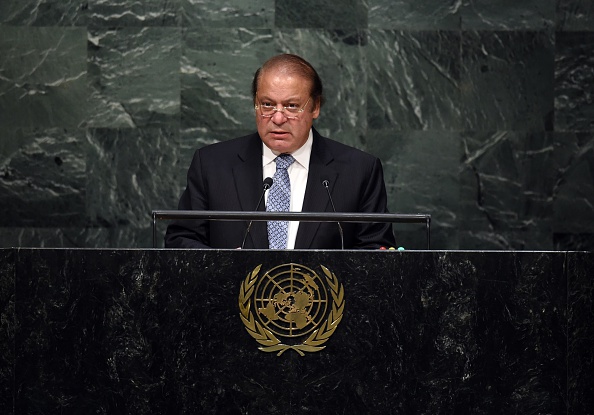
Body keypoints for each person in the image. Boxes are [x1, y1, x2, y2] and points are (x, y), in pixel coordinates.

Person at [165, 53, 395, 249]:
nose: (277, 117)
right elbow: (181, 239)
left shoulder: (359, 171)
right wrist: (222, 264)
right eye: (267, 104)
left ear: (315, 107)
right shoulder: (212, 165)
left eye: (291, 106)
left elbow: (375, 249)